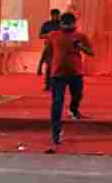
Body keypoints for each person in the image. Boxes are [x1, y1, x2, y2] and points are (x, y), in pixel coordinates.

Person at [42, 12, 94, 146]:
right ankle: (56, 131)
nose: (67, 26)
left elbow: (91, 53)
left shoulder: (80, 36)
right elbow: (47, 50)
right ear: (61, 24)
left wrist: (80, 46)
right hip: (58, 75)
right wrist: (47, 65)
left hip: (75, 73)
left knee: (77, 95)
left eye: (70, 24)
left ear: (74, 23)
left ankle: (73, 109)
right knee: (57, 103)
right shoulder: (53, 35)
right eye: (64, 24)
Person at [37, 9, 62, 91]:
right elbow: (40, 35)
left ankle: (57, 84)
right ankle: (48, 85)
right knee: (49, 66)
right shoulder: (46, 24)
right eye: (55, 15)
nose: (56, 17)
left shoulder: (62, 24)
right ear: (52, 15)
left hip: (60, 47)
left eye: (58, 15)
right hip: (49, 47)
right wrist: (48, 35)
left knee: (58, 67)